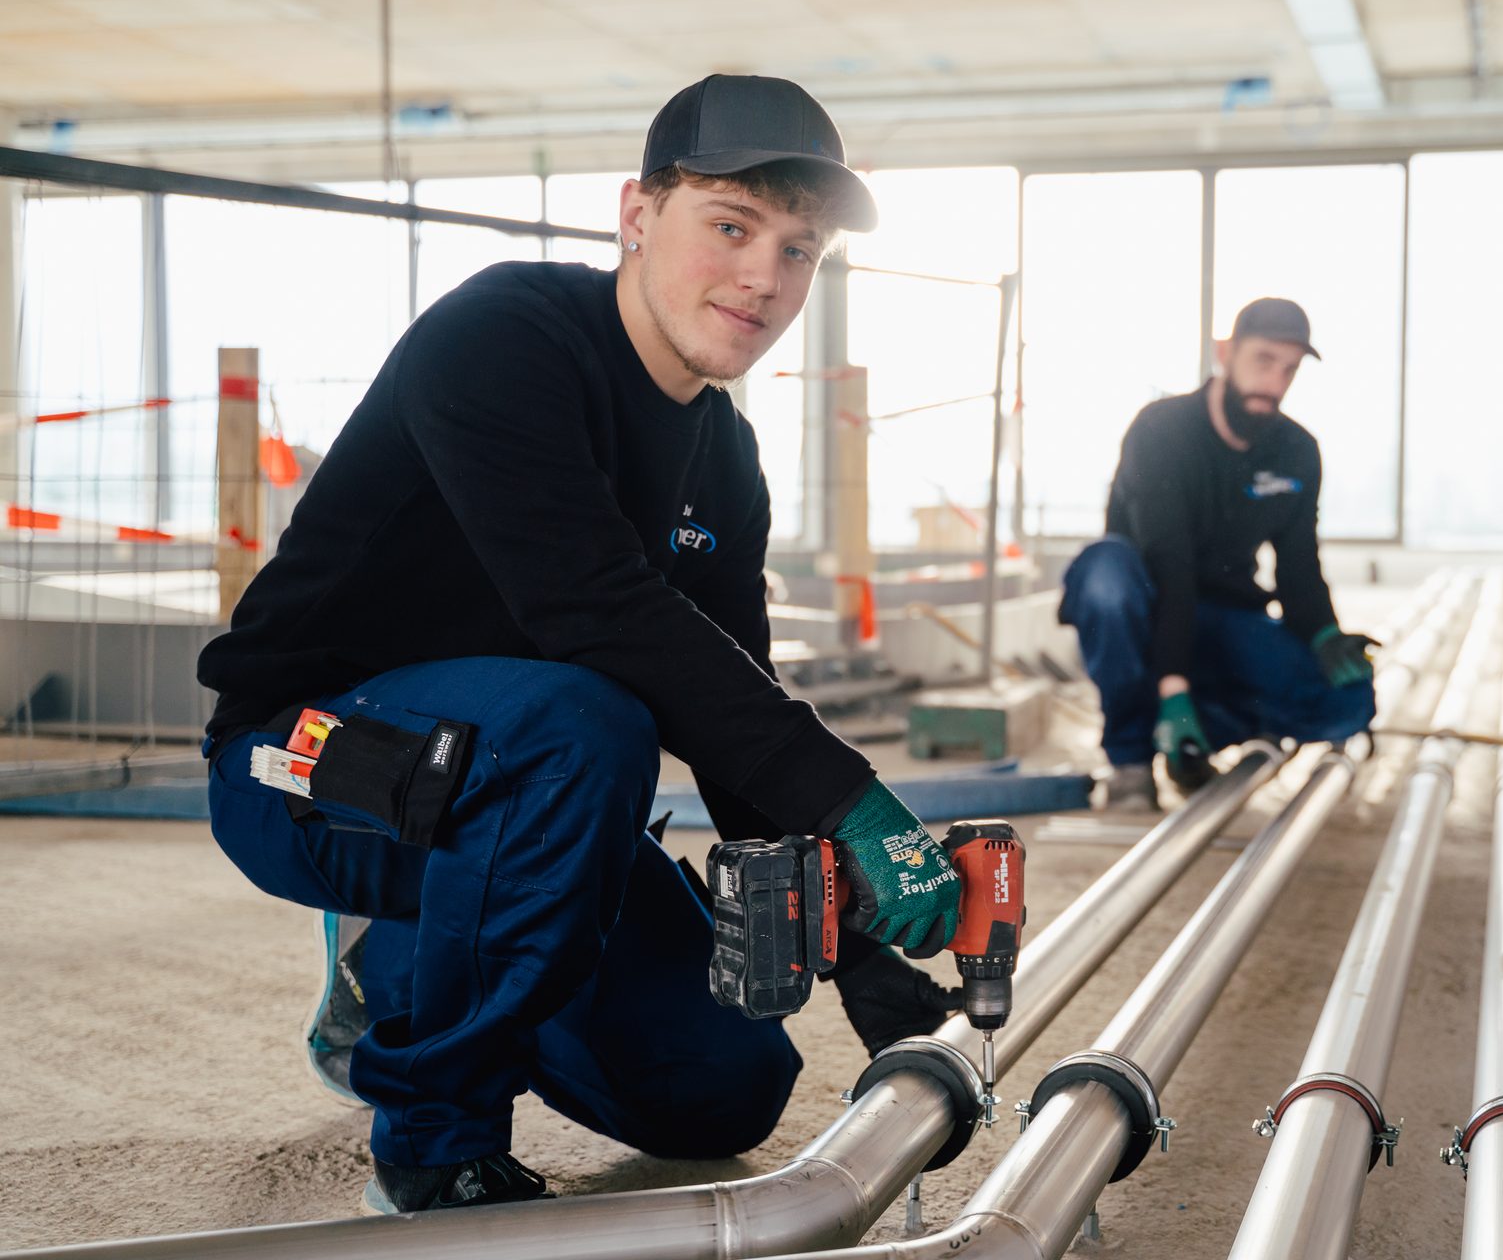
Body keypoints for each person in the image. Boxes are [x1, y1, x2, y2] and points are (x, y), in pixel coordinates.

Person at [197, 75, 964, 1215]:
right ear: (637, 216)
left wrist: (861, 957)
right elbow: (593, 606)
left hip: (511, 796)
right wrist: (854, 796)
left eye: (799, 250)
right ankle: (431, 1138)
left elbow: (732, 706)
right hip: (307, 760)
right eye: (733, 225)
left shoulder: (726, 460)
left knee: (723, 1090)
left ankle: (407, 966)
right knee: (585, 716)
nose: (766, 276)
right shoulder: (503, 335)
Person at [1058, 297, 1378, 812]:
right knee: (1104, 576)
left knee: (1348, 702)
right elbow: (1169, 560)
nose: (1274, 382)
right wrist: (1174, 686)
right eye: (1263, 360)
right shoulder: (1162, 430)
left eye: (1289, 369)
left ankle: (1192, 739)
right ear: (1224, 352)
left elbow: (1298, 565)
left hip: (1226, 615)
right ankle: (1132, 760)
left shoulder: (1296, 450)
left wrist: (1324, 635)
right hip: (1146, 607)